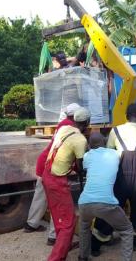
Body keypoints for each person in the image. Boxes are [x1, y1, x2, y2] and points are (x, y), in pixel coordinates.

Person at [91, 104, 136, 254]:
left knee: (112, 210)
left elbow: (109, 153)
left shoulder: (116, 131)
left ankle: (95, 246)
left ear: (126, 115)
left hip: (120, 179)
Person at [23, 103, 81, 245]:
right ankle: (54, 237)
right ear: (75, 116)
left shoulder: (63, 124)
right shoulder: (70, 126)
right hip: (51, 167)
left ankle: (32, 224)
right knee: (58, 202)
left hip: (45, 162)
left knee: (41, 195)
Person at [42, 107, 90, 261]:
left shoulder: (64, 128)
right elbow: (80, 166)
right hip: (57, 181)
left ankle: (64, 246)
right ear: (87, 123)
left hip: (46, 174)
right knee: (69, 222)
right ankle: (56, 257)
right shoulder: (81, 140)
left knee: (58, 216)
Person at [78, 133, 133, 261]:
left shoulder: (87, 156)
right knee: (126, 229)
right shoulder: (114, 154)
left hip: (84, 202)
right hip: (106, 203)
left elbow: (86, 168)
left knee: (85, 226)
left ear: (90, 145)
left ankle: (83, 257)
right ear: (104, 141)